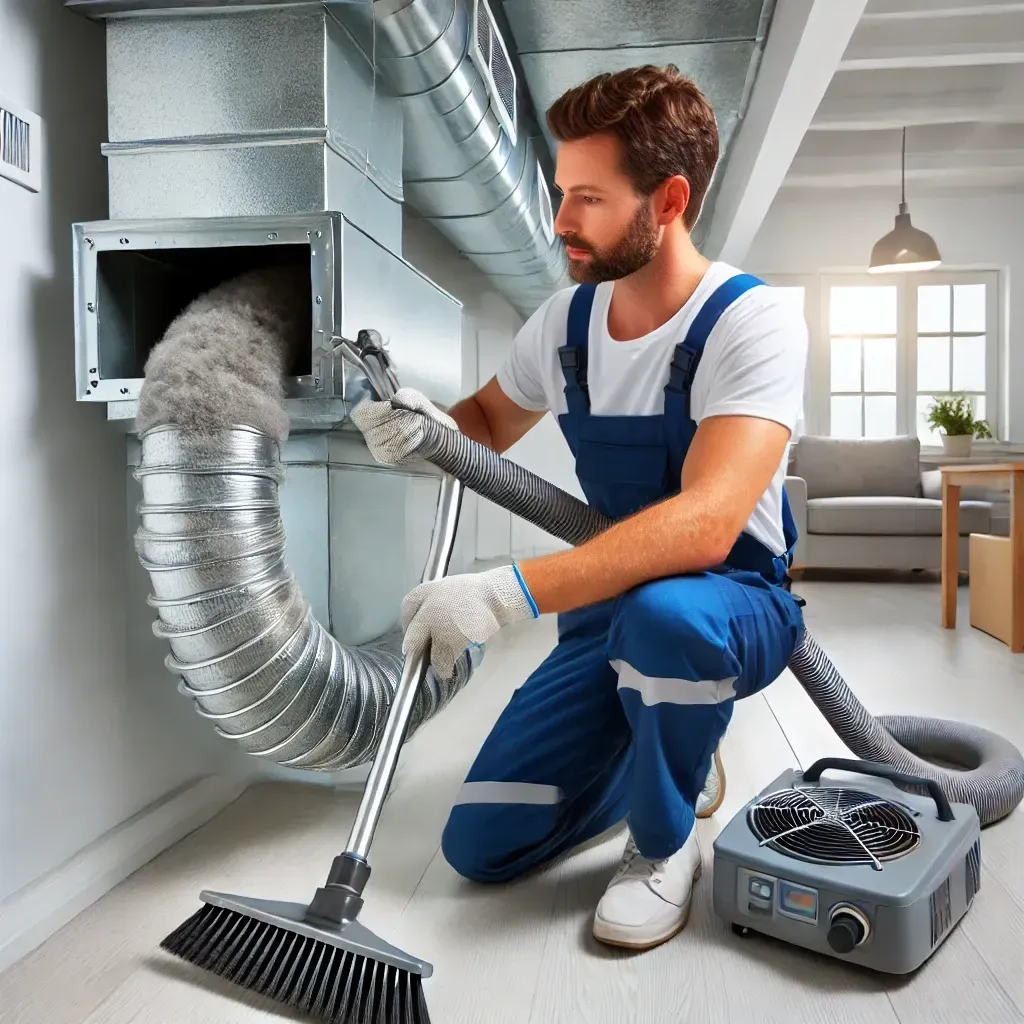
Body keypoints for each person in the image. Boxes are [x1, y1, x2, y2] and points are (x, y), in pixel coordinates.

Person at [351, 65, 808, 952]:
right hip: (608, 616)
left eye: (588, 198)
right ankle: (666, 757)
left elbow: (709, 523)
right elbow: (484, 423)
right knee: (482, 842)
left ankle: (666, 841)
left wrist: (504, 592)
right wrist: (425, 429)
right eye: (563, 193)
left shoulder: (751, 323)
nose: (561, 220)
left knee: (667, 616)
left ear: (668, 199)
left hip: (729, 604)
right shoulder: (565, 324)